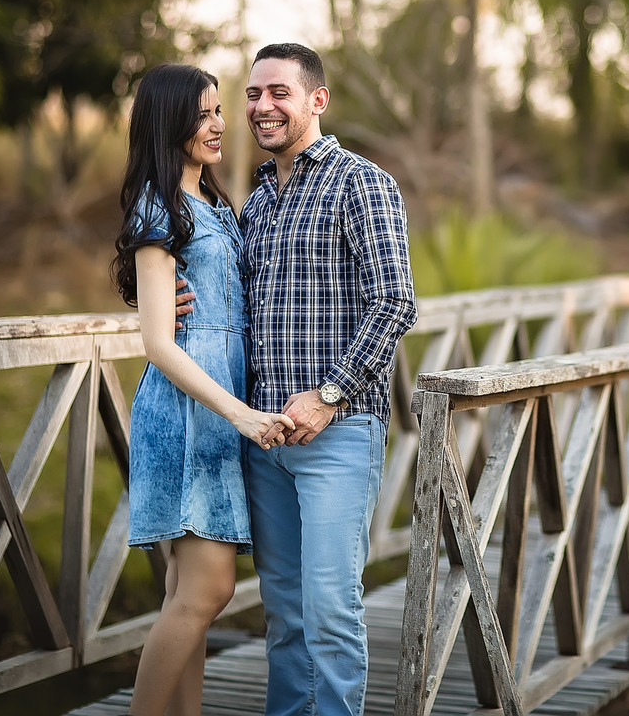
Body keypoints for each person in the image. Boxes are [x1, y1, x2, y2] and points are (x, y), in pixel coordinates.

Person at [180, 42, 417, 716]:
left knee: (331, 611)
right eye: (252, 95)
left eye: (278, 92)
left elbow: (395, 302)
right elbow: (216, 289)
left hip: (338, 436)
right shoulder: (255, 201)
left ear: (317, 100)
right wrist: (157, 298)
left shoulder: (360, 182)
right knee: (284, 616)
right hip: (266, 441)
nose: (261, 107)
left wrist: (330, 395)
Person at [110, 62, 295, 716]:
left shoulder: (210, 204)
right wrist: (243, 414)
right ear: (170, 122)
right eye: (205, 113)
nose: (220, 124)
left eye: (221, 111)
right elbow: (158, 341)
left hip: (219, 406)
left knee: (187, 594)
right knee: (206, 592)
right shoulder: (159, 208)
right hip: (192, 413)